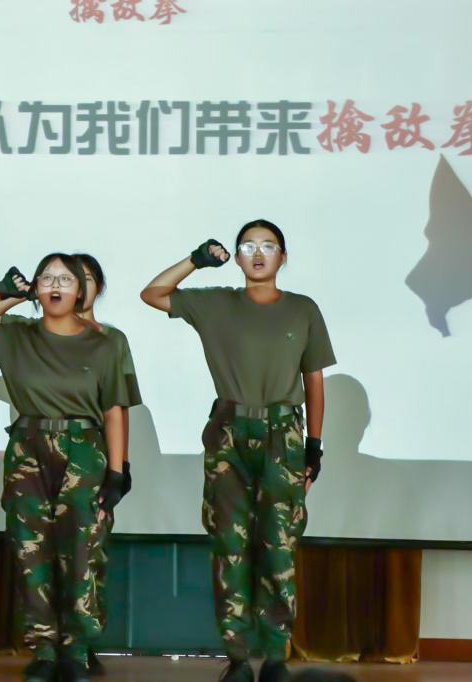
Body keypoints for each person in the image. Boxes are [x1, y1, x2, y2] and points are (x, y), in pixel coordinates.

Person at [140, 220, 335, 682]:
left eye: (268, 246)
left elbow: (313, 379)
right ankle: (238, 657)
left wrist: (314, 446)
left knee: (279, 546)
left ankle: (276, 656)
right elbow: (153, 293)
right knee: (230, 545)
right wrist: (196, 261)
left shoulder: (303, 309)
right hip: (229, 430)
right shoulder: (217, 303)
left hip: (283, 433)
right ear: (236, 256)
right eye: (248, 246)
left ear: (283, 257)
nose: (258, 254)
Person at [0, 254, 130, 682]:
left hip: (84, 448)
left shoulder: (104, 342)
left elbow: (114, 409)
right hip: (28, 448)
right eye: (47, 278)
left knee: (82, 552)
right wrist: (2, 293)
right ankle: (44, 649)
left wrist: (117, 471)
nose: (56, 284)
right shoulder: (17, 335)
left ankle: (78, 649)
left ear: (80, 291)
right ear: (35, 289)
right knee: (31, 551)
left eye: (66, 279)